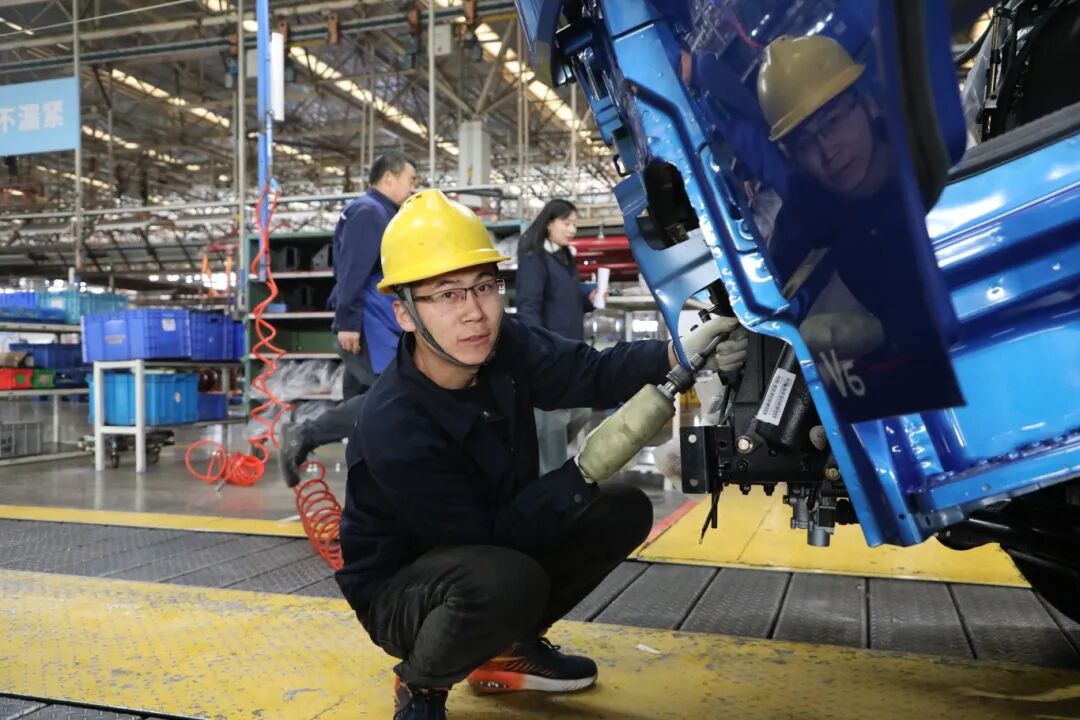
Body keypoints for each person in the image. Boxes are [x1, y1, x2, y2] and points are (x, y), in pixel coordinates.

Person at [333, 189, 747, 719]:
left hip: (490, 554)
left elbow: (589, 371)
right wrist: (582, 470)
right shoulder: (397, 422)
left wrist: (678, 352)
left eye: (484, 286)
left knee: (620, 509)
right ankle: (421, 683)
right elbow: (487, 536)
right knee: (506, 579)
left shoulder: (504, 345)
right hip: (405, 593)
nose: (474, 312)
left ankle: (509, 647)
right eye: (447, 294)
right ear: (405, 314)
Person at [277, 152, 416, 487]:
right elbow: (352, 273)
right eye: (411, 180)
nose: (413, 188)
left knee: (363, 401)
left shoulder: (382, 212)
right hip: (368, 325)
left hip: (377, 322)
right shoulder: (369, 212)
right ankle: (303, 435)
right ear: (389, 178)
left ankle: (368, 479)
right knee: (395, 396)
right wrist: (348, 322)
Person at [515, 199, 599, 474]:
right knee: (551, 426)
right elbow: (529, 307)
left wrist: (588, 297)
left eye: (575, 224)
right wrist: (538, 351)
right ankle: (549, 485)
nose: (572, 229)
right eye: (567, 222)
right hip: (549, 354)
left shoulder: (564, 258)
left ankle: (545, 466)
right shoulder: (534, 257)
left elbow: (566, 299)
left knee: (582, 410)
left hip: (570, 352)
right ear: (549, 223)